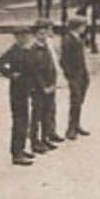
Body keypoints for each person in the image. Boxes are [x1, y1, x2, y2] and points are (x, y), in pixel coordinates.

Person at [0, 26, 37, 166]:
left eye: (27, 35)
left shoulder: (27, 50)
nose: (25, 38)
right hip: (17, 90)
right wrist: (11, 75)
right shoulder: (14, 51)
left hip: (26, 88)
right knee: (19, 121)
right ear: (16, 37)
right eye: (21, 36)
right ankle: (16, 154)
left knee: (25, 120)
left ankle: (21, 149)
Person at [28, 19, 62, 153]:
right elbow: (35, 72)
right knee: (37, 115)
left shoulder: (47, 47)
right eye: (40, 34)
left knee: (46, 114)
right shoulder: (33, 49)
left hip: (49, 86)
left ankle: (45, 138)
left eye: (44, 33)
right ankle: (35, 142)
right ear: (35, 35)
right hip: (38, 88)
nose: (43, 36)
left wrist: (53, 83)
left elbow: (51, 67)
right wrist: (44, 87)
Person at [61, 16, 92, 139]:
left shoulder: (78, 38)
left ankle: (76, 124)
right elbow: (64, 60)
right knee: (75, 100)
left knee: (79, 100)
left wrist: (85, 73)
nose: (84, 28)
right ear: (78, 27)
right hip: (74, 74)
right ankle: (71, 128)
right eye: (83, 26)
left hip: (81, 73)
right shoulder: (68, 40)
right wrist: (69, 74)